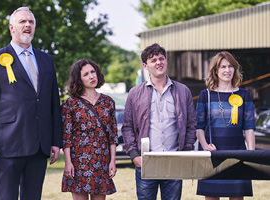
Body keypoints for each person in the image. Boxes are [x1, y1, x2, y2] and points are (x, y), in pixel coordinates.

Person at [0, 7, 62, 200]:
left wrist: (56, 141)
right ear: (11, 28)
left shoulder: (47, 60)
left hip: (40, 145)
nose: (27, 25)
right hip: (7, 145)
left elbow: (53, 104)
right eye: (22, 22)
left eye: (31, 22)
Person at [122, 43, 197, 200]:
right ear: (145, 66)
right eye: (153, 60)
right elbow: (127, 127)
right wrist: (134, 155)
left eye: (161, 58)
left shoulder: (183, 91)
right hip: (146, 161)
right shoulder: (135, 93)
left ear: (166, 61)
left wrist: (186, 149)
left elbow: (191, 124)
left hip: (174, 161)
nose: (158, 62)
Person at [196, 51, 255, 200]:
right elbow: (199, 127)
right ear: (216, 70)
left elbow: (249, 127)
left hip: (238, 156)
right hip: (212, 156)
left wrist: (251, 154)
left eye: (230, 66)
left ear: (235, 69)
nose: (227, 70)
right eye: (223, 67)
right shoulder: (206, 95)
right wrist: (204, 145)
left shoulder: (244, 95)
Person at [61, 59, 118, 200]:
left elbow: (113, 134)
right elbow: (66, 136)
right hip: (78, 162)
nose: (91, 76)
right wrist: (68, 163)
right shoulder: (70, 103)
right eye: (85, 74)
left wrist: (112, 161)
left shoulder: (108, 102)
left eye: (93, 72)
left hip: (101, 160)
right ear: (78, 79)